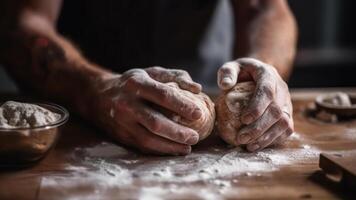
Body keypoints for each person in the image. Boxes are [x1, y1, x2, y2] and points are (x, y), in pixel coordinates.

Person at [0, 0, 297, 155]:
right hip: (77, 106)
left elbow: (266, 7)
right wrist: (95, 90)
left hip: (208, 87)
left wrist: (264, 68)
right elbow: (23, 23)